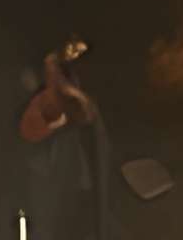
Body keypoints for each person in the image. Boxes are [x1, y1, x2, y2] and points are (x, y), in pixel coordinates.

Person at [17, 38, 118, 240]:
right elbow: (30, 128)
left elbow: (84, 113)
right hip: (48, 177)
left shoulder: (75, 91)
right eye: (72, 49)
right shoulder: (42, 89)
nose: (75, 52)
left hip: (69, 175)